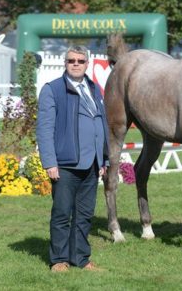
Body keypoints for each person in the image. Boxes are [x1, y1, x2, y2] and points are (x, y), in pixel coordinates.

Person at [36, 45, 109, 273]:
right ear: (65, 64)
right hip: (65, 165)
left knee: (85, 216)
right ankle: (59, 260)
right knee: (62, 214)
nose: (76, 64)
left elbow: (101, 125)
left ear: (87, 64)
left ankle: (81, 258)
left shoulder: (94, 88)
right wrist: (50, 162)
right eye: (71, 61)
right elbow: (44, 129)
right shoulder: (53, 90)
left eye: (80, 60)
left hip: (92, 164)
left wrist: (103, 159)